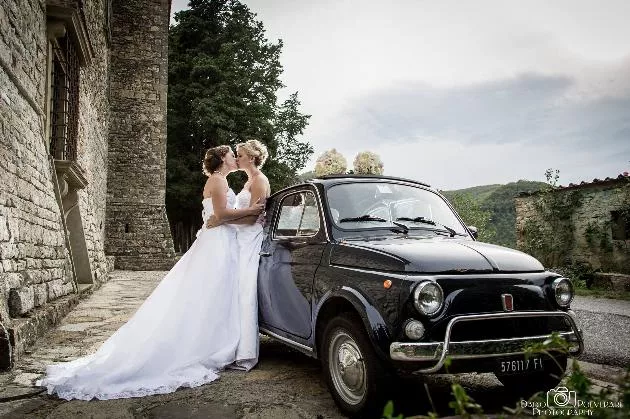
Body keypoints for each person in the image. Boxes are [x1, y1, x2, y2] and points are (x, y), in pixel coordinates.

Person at [37, 145, 264, 400]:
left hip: (221, 240)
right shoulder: (218, 180)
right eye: (232, 155)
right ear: (223, 159)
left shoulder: (221, 180)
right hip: (218, 242)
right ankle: (202, 345)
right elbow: (220, 214)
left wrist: (229, 217)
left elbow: (217, 216)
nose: (235, 158)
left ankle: (213, 339)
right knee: (207, 293)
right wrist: (251, 210)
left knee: (210, 294)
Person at [206, 139, 271, 371]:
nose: (237, 157)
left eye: (240, 155)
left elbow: (252, 218)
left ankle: (245, 353)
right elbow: (244, 212)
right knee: (236, 291)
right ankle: (231, 344)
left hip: (250, 238)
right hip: (239, 238)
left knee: (245, 292)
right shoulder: (248, 181)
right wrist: (224, 219)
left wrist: (222, 219)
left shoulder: (260, 180)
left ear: (251, 158)